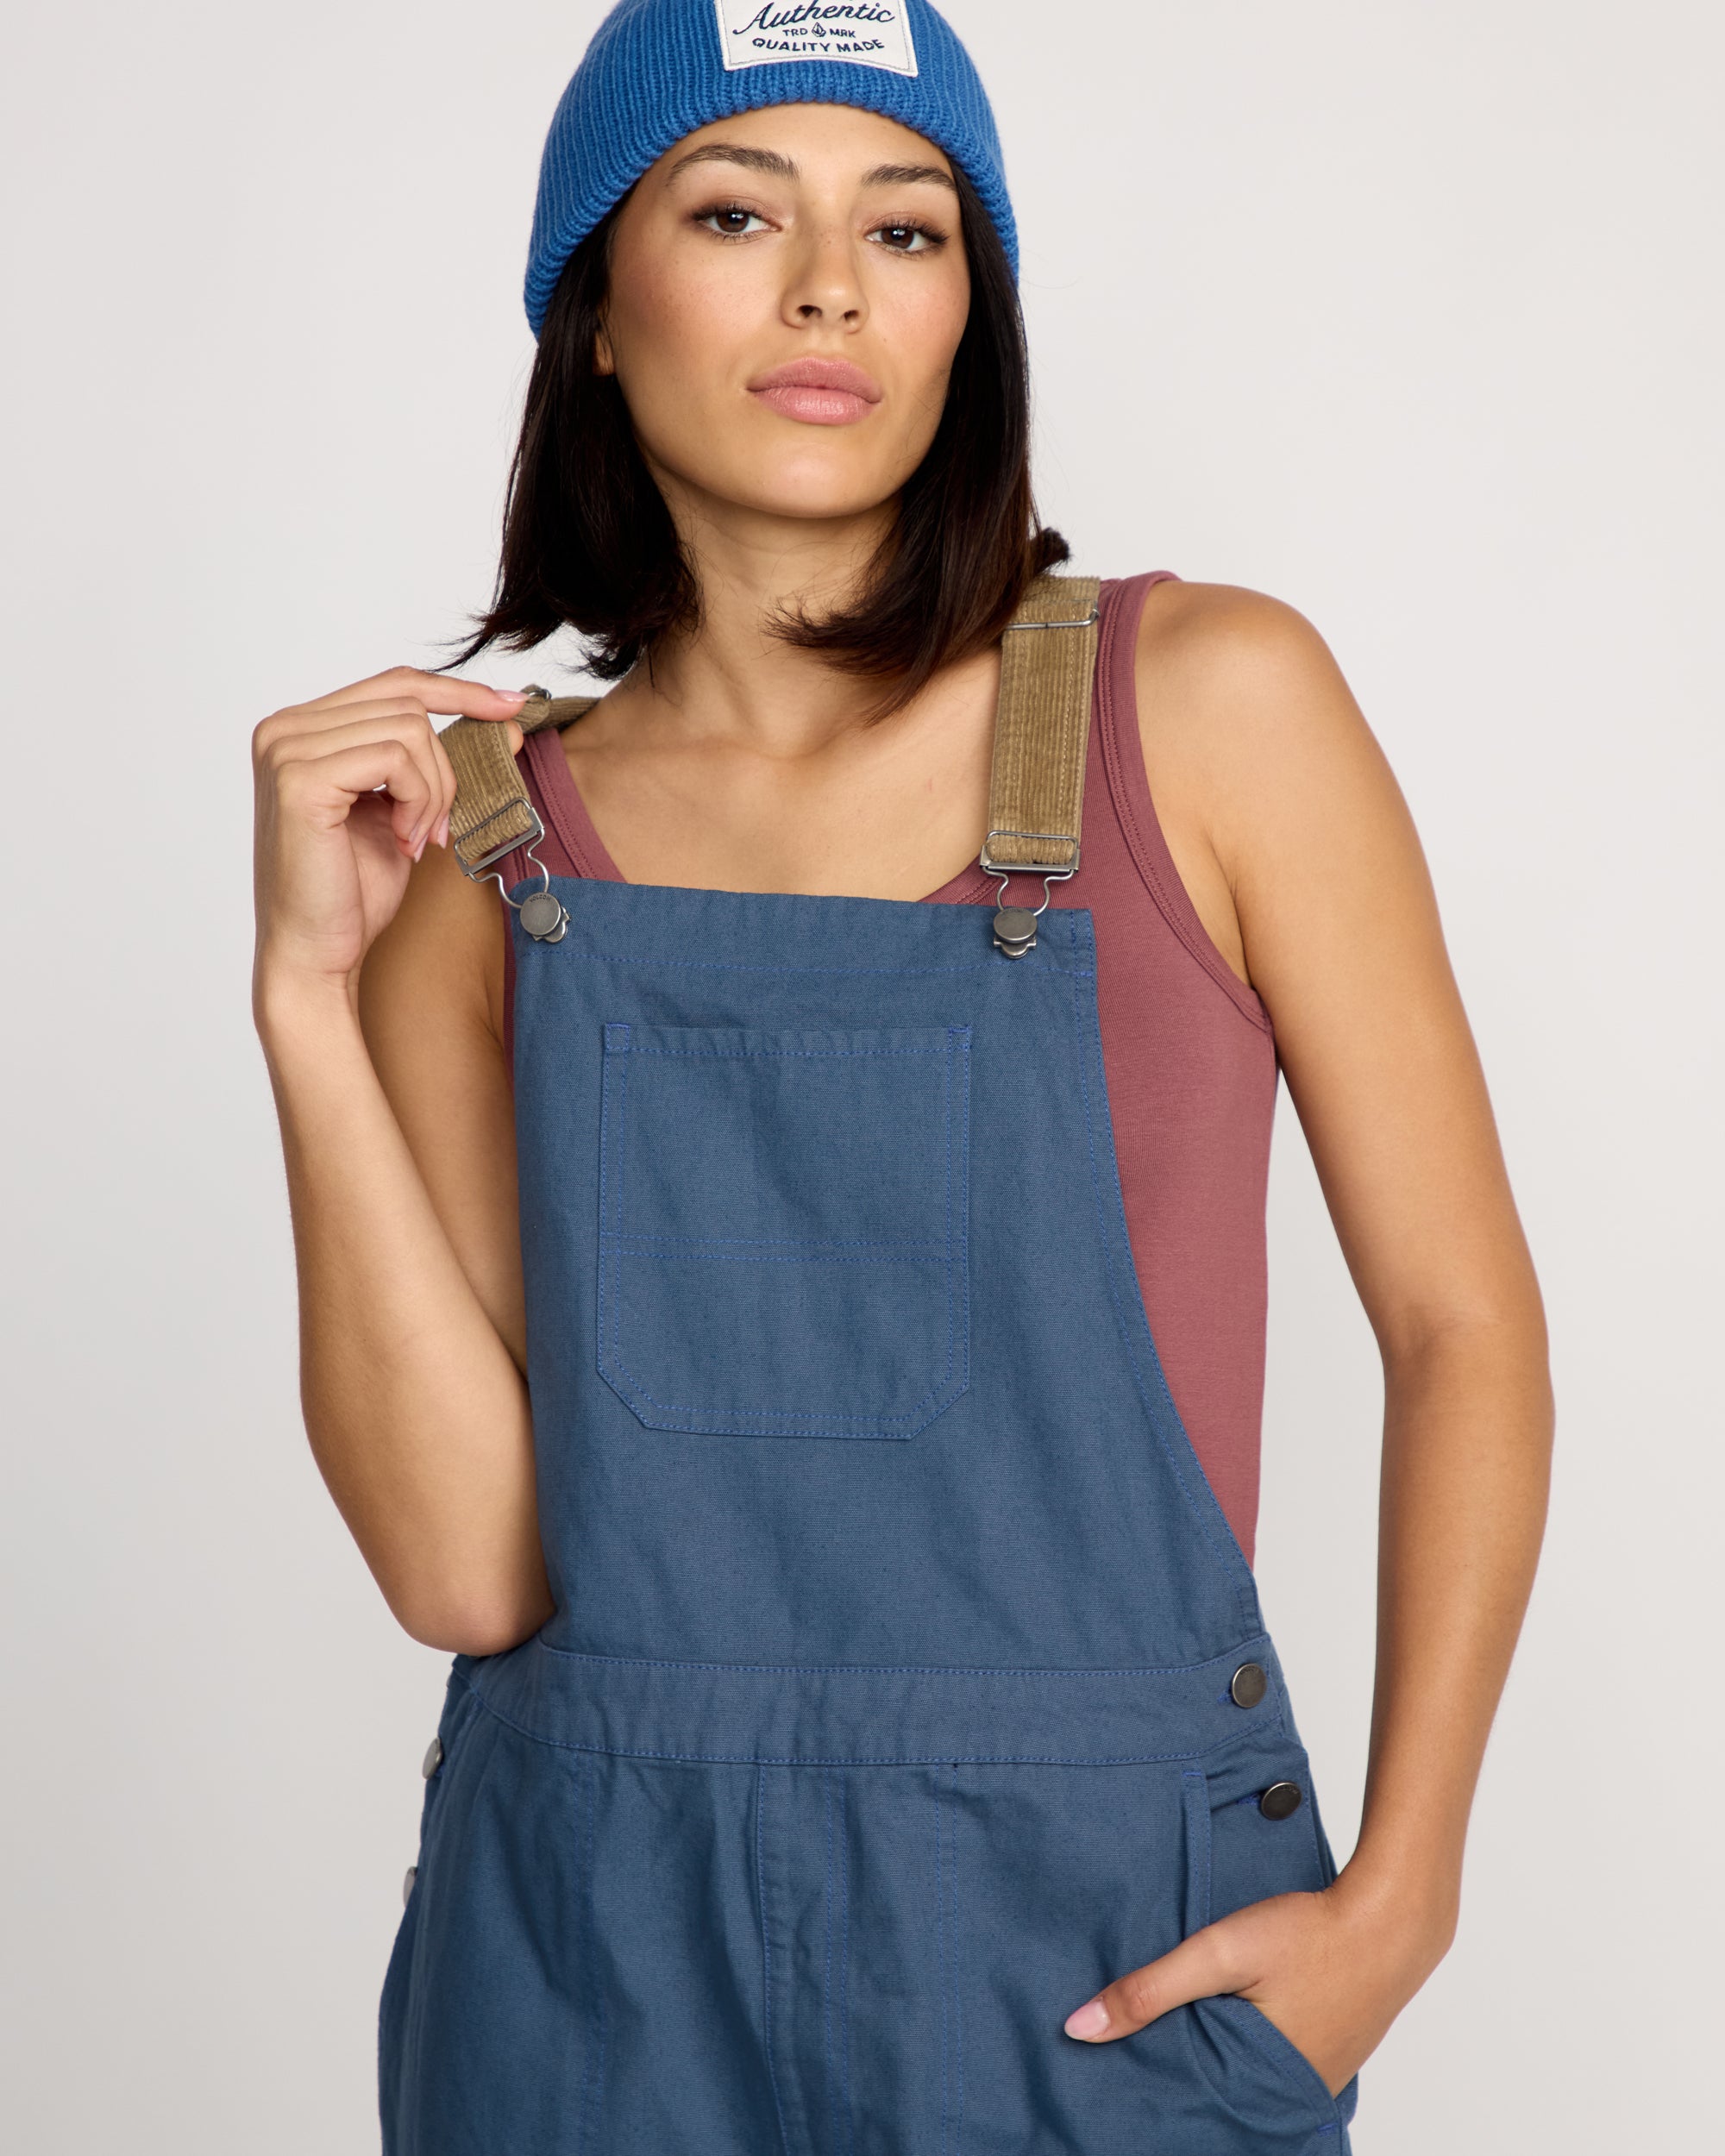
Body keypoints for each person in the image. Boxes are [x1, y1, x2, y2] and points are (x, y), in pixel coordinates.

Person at [248, 2, 1552, 2148]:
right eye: (734, 213)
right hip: (587, 1953)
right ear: (596, 312)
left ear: (970, 309)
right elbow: (469, 1570)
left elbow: (1461, 1322)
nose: (829, 287)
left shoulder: (1206, 704)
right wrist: (307, 1000)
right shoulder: (478, 848)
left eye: (909, 226)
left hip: (1097, 1940)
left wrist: (1400, 1893)